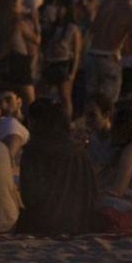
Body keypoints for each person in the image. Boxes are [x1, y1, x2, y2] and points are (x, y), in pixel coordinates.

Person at [18, 99, 98, 235]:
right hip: (80, 224)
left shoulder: (33, 152)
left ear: (35, 122)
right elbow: (92, 191)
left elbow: (29, 197)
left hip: (44, 226)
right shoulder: (79, 151)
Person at [85, 0, 132, 105]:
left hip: (92, 54)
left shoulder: (107, 3)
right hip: (109, 57)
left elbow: (93, 28)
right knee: (108, 102)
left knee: (91, 100)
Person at [0, 0, 40, 112]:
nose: (22, 7)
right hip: (19, 63)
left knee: (3, 103)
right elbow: (36, 39)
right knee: (29, 101)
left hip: (1, 64)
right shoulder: (18, 23)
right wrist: (36, 22)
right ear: (13, 7)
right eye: (20, 4)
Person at [40, 0, 82, 120]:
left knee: (65, 96)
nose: (58, 10)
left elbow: (77, 52)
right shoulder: (53, 27)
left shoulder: (72, 29)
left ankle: (67, 121)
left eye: (61, 7)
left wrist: (73, 72)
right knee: (42, 93)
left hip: (64, 63)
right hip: (50, 62)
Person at [83, 95, 115, 178]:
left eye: (93, 115)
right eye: (86, 115)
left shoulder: (116, 139)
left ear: (106, 115)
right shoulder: (89, 137)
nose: (87, 120)